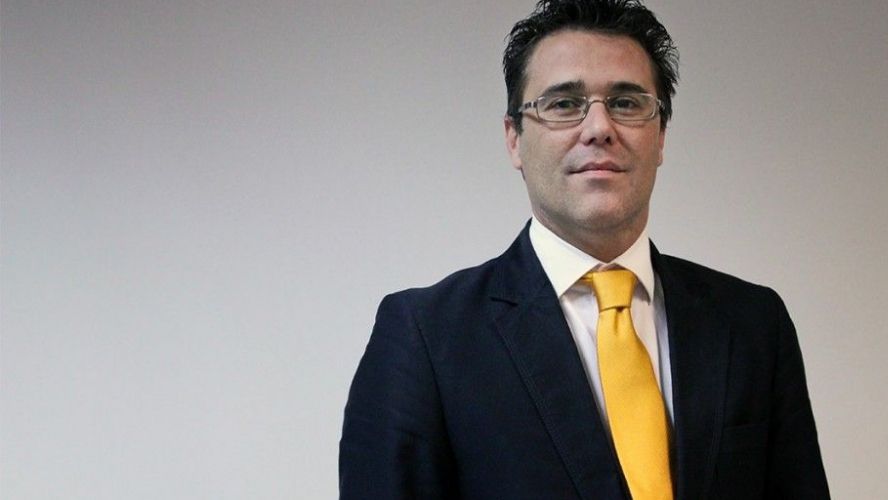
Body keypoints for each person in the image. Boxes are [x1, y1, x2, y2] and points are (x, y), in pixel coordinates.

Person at [339, 0, 830, 498]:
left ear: (661, 136)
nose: (599, 128)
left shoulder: (752, 323)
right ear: (514, 139)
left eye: (627, 103)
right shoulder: (427, 336)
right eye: (563, 104)